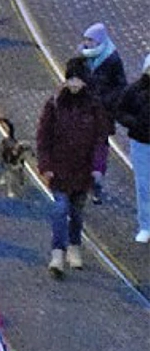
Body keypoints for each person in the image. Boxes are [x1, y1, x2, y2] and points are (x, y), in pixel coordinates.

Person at [36, 58, 114, 277]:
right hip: (59, 169)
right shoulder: (55, 104)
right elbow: (43, 137)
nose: (74, 85)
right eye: (71, 79)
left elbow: (101, 139)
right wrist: (45, 165)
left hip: (83, 171)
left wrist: (98, 168)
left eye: (78, 80)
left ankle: (74, 244)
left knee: (77, 212)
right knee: (60, 209)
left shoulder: (95, 107)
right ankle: (57, 252)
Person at [114, 54, 150, 244]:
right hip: (141, 143)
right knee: (144, 186)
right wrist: (134, 123)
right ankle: (146, 226)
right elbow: (120, 111)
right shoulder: (135, 90)